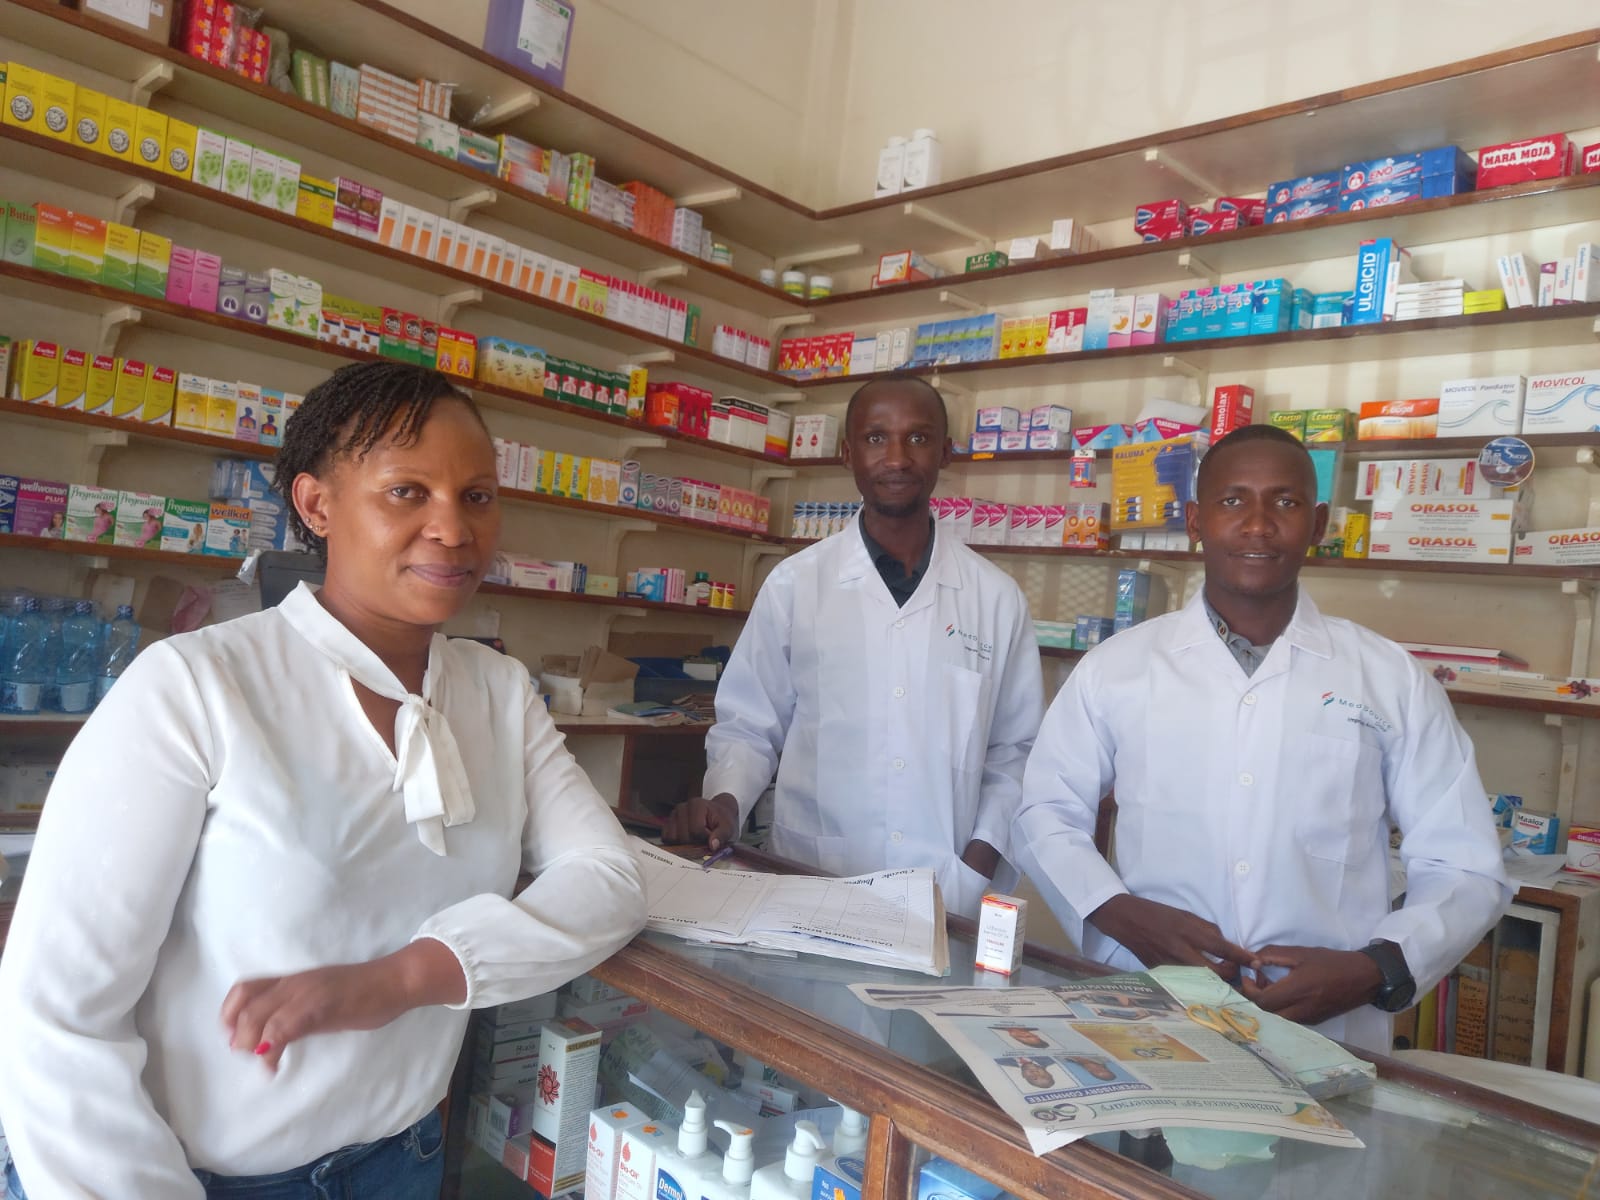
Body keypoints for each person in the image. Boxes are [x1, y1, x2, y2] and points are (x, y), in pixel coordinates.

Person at [0, 362, 647, 1198]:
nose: (452, 529)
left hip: (402, 1160)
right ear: (317, 505)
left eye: (477, 496)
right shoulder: (198, 687)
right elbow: (55, 1014)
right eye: (407, 492)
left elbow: (609, 880)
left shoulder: (497, 692)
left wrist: (402, 979)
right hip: (186, 1176)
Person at [1013, 423, 1511, 1052]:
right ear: (1195, 521)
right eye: (1231, 501)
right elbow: (1044, 812)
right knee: (1145, 1150)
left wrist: (1375, 968)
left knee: (1327, 1152)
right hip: (1157, 1001)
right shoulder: (1120, 666)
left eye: (1285, 502)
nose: (1257, 524)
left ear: (1320, 522)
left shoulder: (1389, 678)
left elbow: (1464, 862)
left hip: (1331, 1025)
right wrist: (1119, 915)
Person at [664, 375, 1045, 916]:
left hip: (944, 888)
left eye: (917, 438)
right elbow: (750, 724)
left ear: (945, 451)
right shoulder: (796, 585)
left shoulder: (996, 599)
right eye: (875, 438)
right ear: (847, 453)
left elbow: (1016, 754)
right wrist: (726, 801)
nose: (896, 458)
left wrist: (978, 860)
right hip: (811, 874)